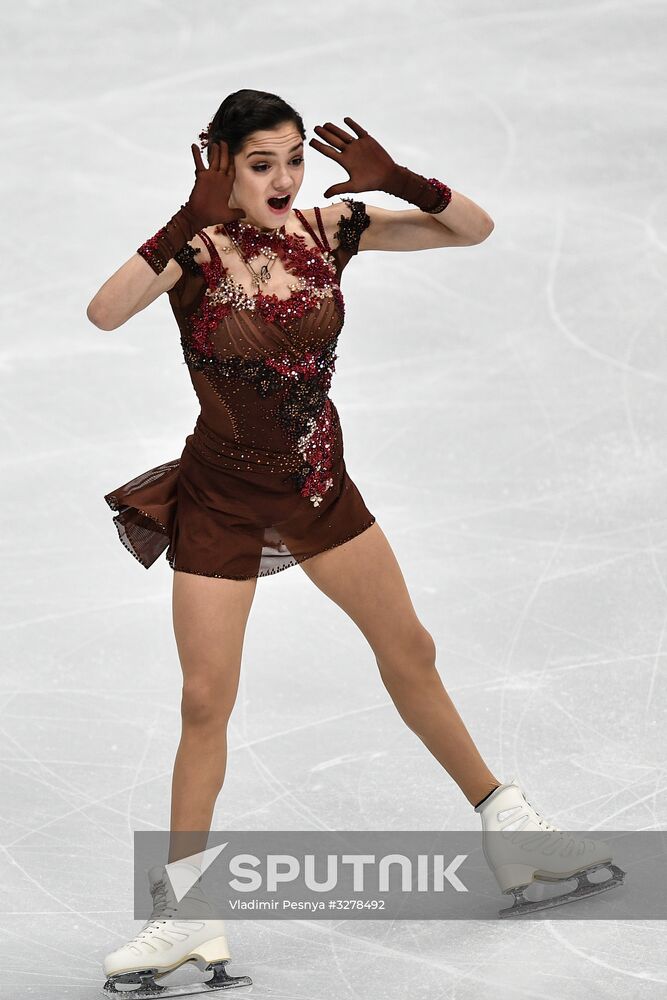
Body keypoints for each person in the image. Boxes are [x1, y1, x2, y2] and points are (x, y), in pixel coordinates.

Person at [88, 90, 624, 996]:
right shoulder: (191, 247)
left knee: (410, 651)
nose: (284, 178)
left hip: (317, 487)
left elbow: (473, 230)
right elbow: (105, 312)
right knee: (204, 701)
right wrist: (189, 212)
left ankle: (514, 832)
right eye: (261, 163)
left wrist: (402, 181)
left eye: (293, 159)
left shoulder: (329, 228)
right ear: (219, 161)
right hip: (220, 499)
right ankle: (187, 915)